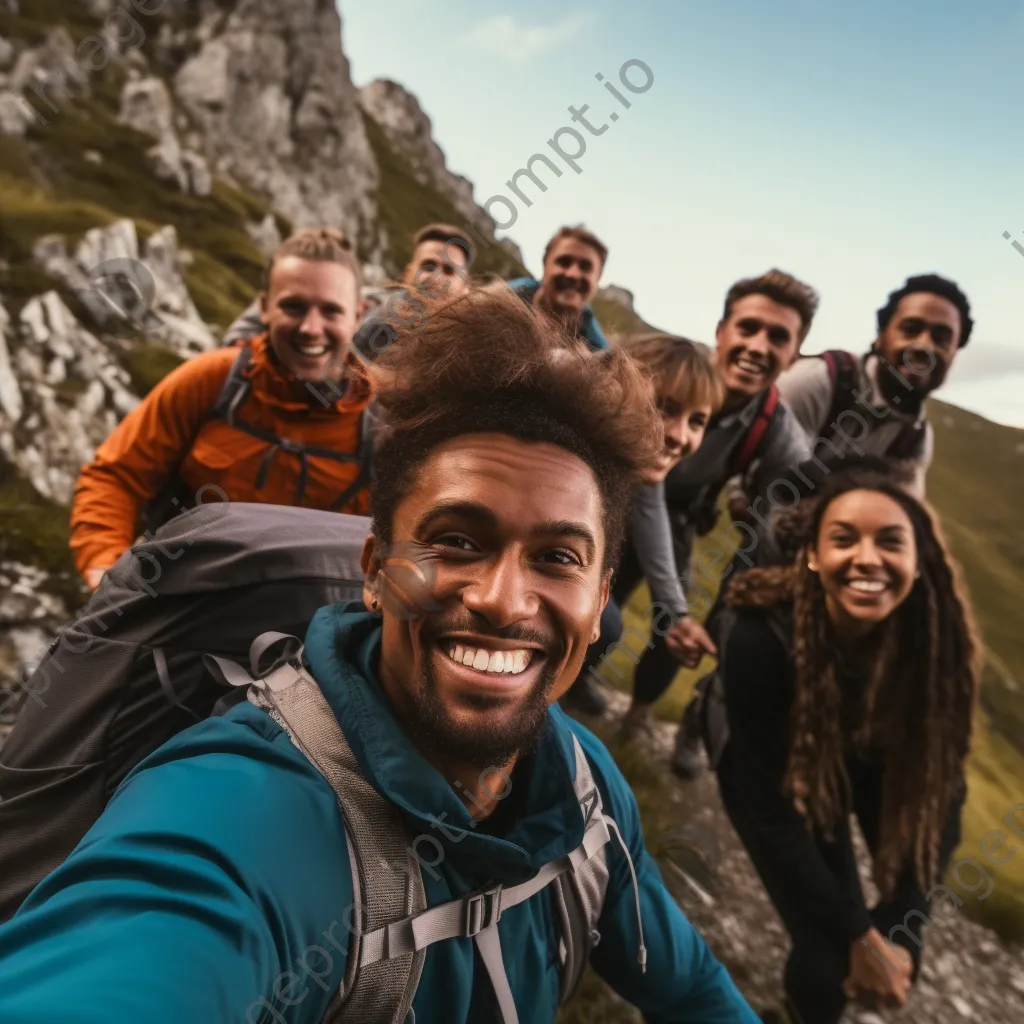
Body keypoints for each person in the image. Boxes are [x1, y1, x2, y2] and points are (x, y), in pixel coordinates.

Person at [0, 287, 759, 1024]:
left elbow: (691, 990)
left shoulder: (587, 789)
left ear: (598, 608)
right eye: (457, 541)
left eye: (559, 557)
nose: (502, 598)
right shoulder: (237, 811)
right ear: (373, 571)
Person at [709, 459, 979, 1024]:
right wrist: (857, 932)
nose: (867, 558)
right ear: (811, 555)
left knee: (902, 939)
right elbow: (772, 809)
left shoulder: (934, 647)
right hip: (770, 771)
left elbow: (941, 792)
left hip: (864, 756)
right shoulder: (760, 638)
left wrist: (901, 922)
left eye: (890, 542)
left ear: (918, 560)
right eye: (843, 539)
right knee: (827, 955)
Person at [70, 228, 372, 589]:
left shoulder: (383, 422)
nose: (311, 328)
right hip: (176, 607)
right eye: (293, 306)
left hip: (312, 630)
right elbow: (116, 477)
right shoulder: (211, 380)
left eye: (331, 311)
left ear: (359, 314)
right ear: (263, 307)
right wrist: (104, 568)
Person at [617, 271, 816, 771]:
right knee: (600, 603)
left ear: (794, 356)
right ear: (721, 330)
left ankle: (637, 718)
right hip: (618, 500)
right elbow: (644, 489)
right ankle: (557, 696)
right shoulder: (666, 369)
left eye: (778, 337)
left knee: (674, 623)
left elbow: (778, 526)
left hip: (680, 520)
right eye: (747, 328)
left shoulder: (780, 435)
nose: (757, 346)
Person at [564, 333, 725, 724]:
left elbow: (653, 524)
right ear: (615, 386)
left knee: (605, 620)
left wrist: (675, 614)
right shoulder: (560, 423)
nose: (679, 435)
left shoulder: (637, 463)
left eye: (697, 421)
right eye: (665, 407)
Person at [774, 274, 974, 499]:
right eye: (910, 329)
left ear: (954, 353)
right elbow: (765, 495)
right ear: (880, 336)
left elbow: (903, 514)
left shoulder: (916, 438)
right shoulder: (813, 382)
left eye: (942, 338)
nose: (924, 346)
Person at [221, 223, 475, 361]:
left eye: (450, 271)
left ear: (466, 286)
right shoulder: (366, 298)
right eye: (428, 266)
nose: (437, 277)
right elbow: (282, 304)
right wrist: (240, 345)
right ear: (409, 272)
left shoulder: (471, 343)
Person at [507, 224, 611, 351]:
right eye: (564, 262)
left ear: (598, 279)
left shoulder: (599, 350)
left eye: (585, 267)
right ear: (545, 266)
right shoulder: (503, 298)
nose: (573, 274)